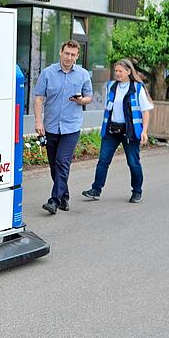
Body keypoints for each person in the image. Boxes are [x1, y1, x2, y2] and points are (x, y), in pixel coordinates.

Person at [33, 39, 93, 215]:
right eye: (67, 53)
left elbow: (89, 97)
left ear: (77, 56)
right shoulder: (47, 73)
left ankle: (54, 201)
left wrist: (81, 101)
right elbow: (38, 99)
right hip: (51, 126)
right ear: (61, 52)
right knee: (54, 166)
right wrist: (38, 122)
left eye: (73, 55)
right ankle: (64, 197)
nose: (69, 57)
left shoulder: (83, 74)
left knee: (62, 162)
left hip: (71, 127)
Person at [81, 59, 153, 203]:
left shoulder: (137, 88)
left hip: (130, 132)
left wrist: (144, 131)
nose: (117, 73)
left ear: (128, 71)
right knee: (103, 161)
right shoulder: (111, 86)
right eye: (116, 71)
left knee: (133, 162)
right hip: (111, 130)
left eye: (120, 71)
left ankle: (137, 191)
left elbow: (146, 111)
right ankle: (96, 190)